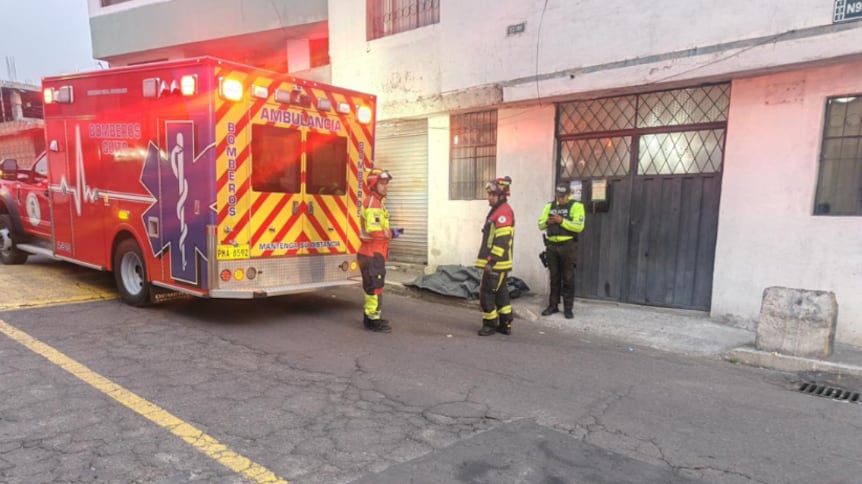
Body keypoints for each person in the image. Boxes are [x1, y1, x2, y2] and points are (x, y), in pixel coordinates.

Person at [357, 167, 403, 333]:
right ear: (374, 185)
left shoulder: (378, 203)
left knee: (376, 286)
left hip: (375, 253)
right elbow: (374, 230)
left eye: (386, 184)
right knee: (373, 288)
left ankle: (373, 317)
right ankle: (371, 321)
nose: (386, 187)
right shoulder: (373, 204)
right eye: (382, 184)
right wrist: (392, 233)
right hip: (371, 253)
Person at [538, 182, 585, 319]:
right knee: (554, 277)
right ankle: (553, 306)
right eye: (558, 196)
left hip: (568, 246)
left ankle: (568, 308)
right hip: (552, 246)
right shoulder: (549, 206)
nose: (560, 199)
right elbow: (540, 224)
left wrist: (561, 221)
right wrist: (548, 222)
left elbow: (579, 226)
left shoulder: (577, 206)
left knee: (568, 278)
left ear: (568, 195)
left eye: (563, 197)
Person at [475, 176, 515, 336]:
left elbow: (502, 241)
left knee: (487, 293)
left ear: (501, 195)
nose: (489, 198)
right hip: (499, 263)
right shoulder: (499, 211)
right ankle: (505, 324)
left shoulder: (503, 212)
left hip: (496, 264)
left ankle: (490, 324)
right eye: (489, 194)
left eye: (492, 195)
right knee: (501, 293)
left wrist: (491, 261)